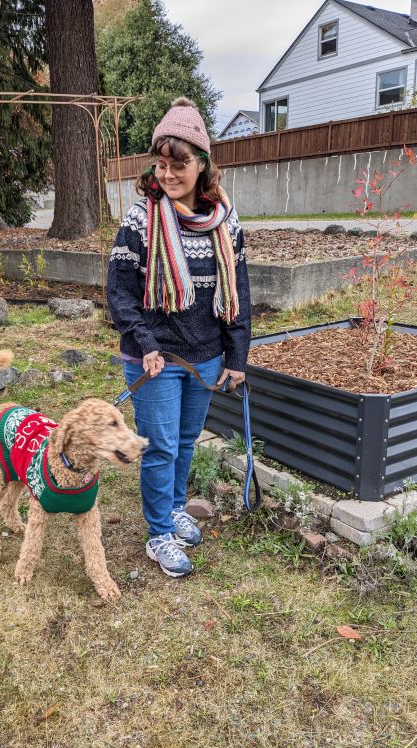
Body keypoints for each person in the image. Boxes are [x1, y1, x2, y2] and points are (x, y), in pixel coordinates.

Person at [107, 97, 251, 578]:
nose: (168, 174)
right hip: (156, 357)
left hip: (207, 356)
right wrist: (145, 344)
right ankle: (158, 535)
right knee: (161, 446)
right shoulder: (140, 221)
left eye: (180, 164)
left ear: (203, 164)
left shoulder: (225, 222)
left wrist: (237, 355)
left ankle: (171, 511)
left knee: (187, 441)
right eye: (162, 164)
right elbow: (119, 293)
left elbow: (239, 291)